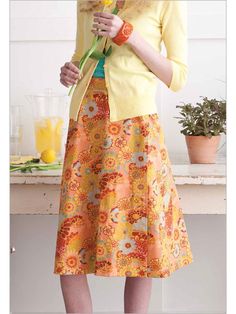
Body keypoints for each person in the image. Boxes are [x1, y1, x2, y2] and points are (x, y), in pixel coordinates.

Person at [54, 1, 194, 313]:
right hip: (86, 122)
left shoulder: (165, 2)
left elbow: (177, 76)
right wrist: (70, 71)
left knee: (139, 235)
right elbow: (82, 56)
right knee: (73, 235)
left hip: (135, 129)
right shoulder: (86, 1)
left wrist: (127, 34)